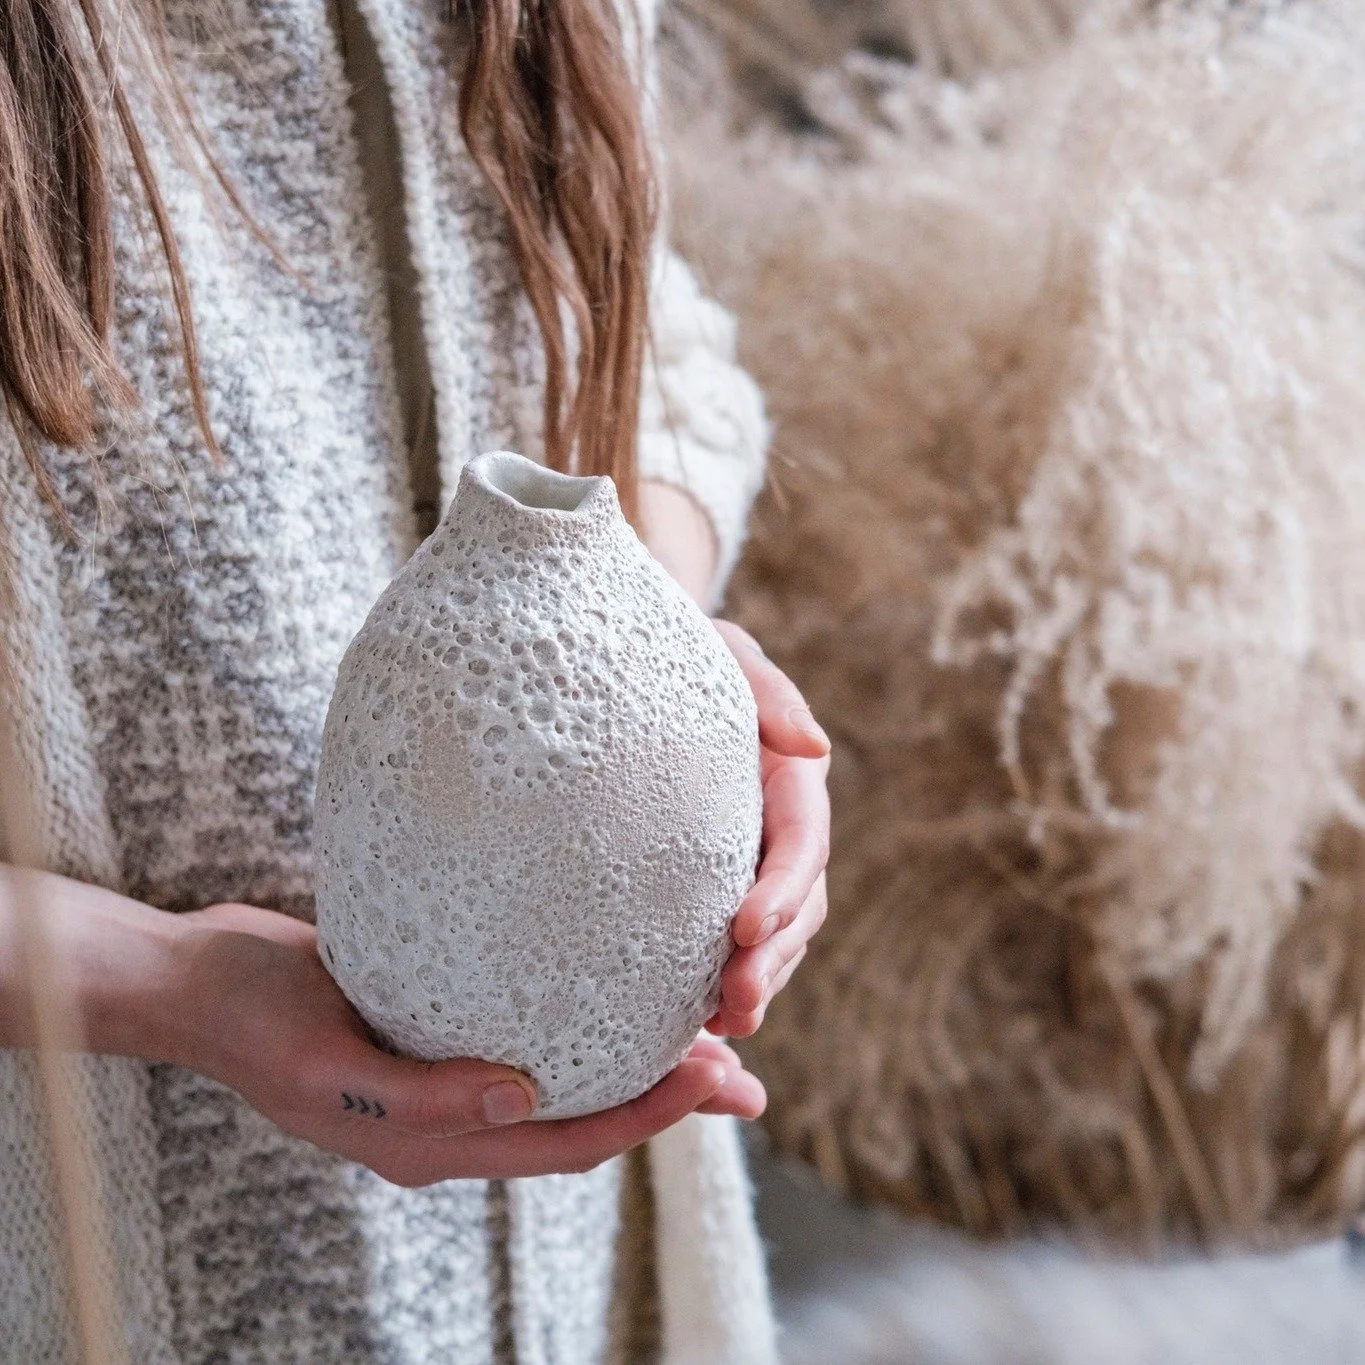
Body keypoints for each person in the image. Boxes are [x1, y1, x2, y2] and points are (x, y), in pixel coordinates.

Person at [0, 0, 830, 1360]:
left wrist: (651, 664)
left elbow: (658, 339)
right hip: (99, 1279)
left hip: (574, 1286)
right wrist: (169, 990)